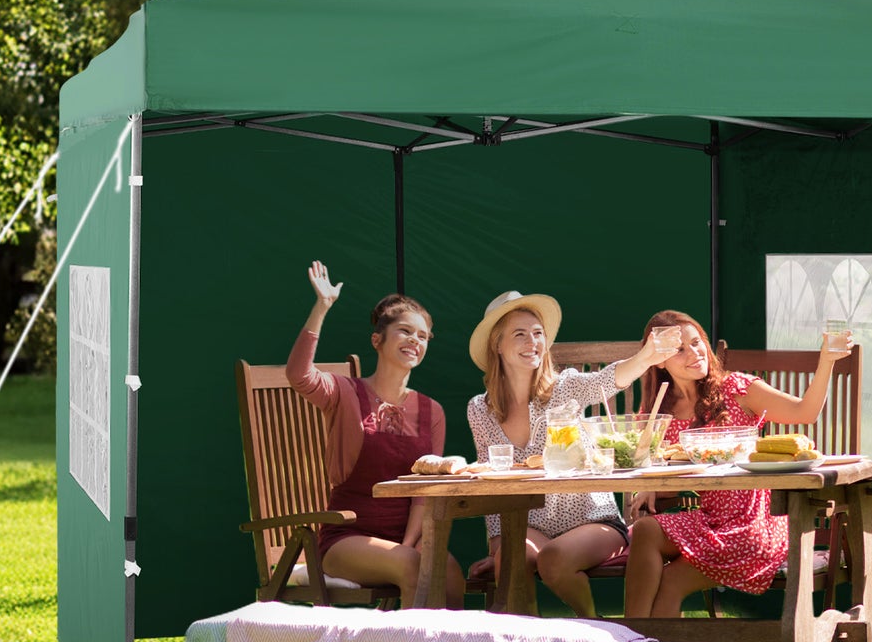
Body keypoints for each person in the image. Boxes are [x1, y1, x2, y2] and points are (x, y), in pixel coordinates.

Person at [623, 310, 853, 617]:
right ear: (659, 360)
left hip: (755, 526)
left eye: (696, 342)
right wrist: (651, 485)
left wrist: (826, 361)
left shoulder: (736, 389)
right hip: (708, 521)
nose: (694, 353)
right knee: (645, 530)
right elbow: (654, 463)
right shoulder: (658, 409)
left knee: (671, 582)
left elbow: (804, 412)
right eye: (680, 349)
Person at [466, 291, 674, 617]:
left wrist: (645, 357)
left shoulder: (565, 387)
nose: (532, 342)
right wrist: (499, 544)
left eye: (538, 334)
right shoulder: (480, 409)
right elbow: (491, 483)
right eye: (519, 334)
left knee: (553, 559)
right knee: (510, 563)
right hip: (528, 522)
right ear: (498, 344)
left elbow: (608, 380)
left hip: (593, 520)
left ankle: (596, 630)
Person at [285, 261, 465, 608]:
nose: (416, 340)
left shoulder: (433, 412)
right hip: (346, 538)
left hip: (405, 541)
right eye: (405, 331)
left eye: (423, 336)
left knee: (452, 576)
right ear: (377, 340)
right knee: (416, 567)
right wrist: (321, 307)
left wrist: (411, 542)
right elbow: (298, 374)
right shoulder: (344, 393)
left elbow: (424, 495)